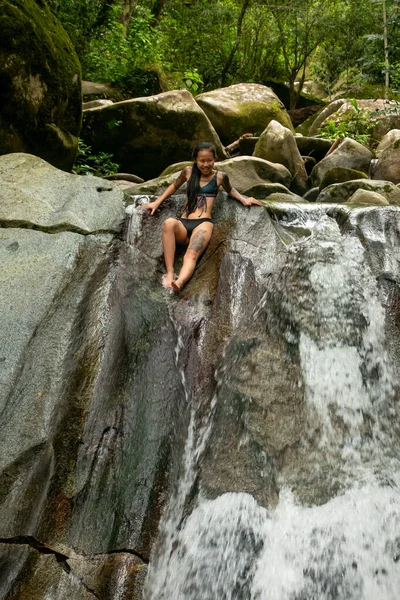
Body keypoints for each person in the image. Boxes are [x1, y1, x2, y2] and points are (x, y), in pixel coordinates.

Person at [139, 142, 262, 292]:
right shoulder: (188, 172)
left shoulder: (220, 177)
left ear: (215, 159)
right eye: (202, 161)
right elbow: (173, 186)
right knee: (168, 223)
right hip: (183, 224)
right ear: (195, 160)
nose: (206, 164)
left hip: (203, 223)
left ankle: (180, 282)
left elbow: (231, 190)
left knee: (191, 254)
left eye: (209, 160)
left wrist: (244, 199)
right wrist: (156, 202)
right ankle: (170, 273)